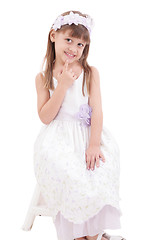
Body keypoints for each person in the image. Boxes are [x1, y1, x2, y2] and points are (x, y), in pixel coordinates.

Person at [33, 10, 125, 240]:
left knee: (99, 171)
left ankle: (93, 234)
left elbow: (97, 110)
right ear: (54, 36)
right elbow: (45, 116)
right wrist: (62, 85)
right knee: (70, 175)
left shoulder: (90, 73)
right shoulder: (43, 77)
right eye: (69, 40)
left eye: (81, 44)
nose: (75, 48)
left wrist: (94, 144)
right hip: (59, 141)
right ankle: (78, 234)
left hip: (87, 136)